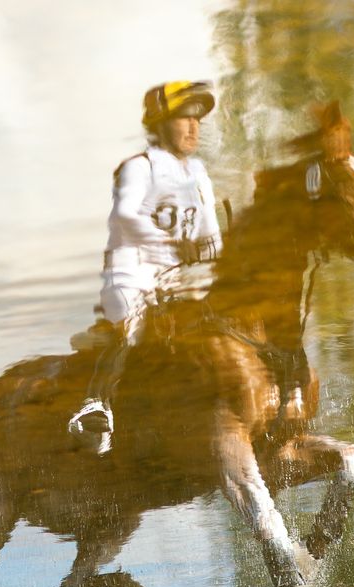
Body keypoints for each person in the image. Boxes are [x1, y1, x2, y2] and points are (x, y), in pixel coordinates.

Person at [68, 81, 222, 453]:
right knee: (134, 329)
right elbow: (125, 214)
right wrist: (171, 244)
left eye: (197, 119)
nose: (193, 127)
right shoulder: (139, 167)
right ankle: (95, 405)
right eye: (183, 118)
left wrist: (216, 250)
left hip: (181, 280)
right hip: (131, 274)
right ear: (159, 124)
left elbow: (212, 233)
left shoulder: (198, 173)